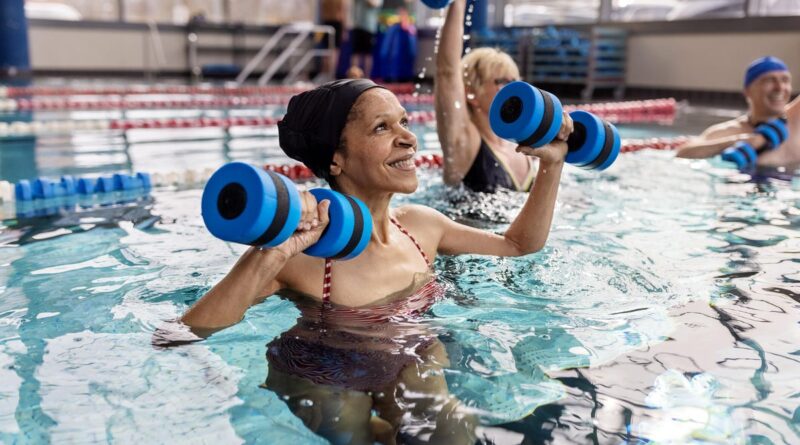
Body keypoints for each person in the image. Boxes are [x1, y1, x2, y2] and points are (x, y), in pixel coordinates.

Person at [178, 79, 568, 444]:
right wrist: (275, 251)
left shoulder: (422, 226)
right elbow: (185, 333)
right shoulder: (300, 253)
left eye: (404, 121)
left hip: (410, 353)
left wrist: (552, 165)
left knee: (450, 428)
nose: (409, 139)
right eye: (382, 128)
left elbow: (517, 244)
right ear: (336, 160)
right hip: (321, 370)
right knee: (346, 424)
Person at [435, 0, 572, 193]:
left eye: (515, 82)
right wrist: (458, 3)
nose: (512, 90)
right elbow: (447, 72)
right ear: (471, 93)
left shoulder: (527, 149)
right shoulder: (464, 142)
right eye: (502, 82)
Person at [676, 56, 800, 168]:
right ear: (747, 91)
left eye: (785, 80)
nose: (779, 88)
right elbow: (683, 152)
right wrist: (743, 141)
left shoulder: (796, 120)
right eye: (769, 80)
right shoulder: (729, 131)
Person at [349, 0, 383, 78]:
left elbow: (374, 4)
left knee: (368, 54)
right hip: (357, 26)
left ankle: (367, 78)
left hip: (369, 28)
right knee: (355, 53)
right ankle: (354, 78)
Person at [320, 0, 345, 79]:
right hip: (336, 23)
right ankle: (332, 75)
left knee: (327, 52)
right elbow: (342, 14)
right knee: (335, 52)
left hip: (326, 22)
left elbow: (322, 13)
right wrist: (344, 29)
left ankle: (325, 73)